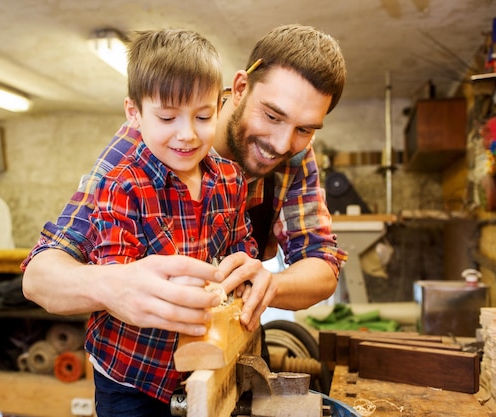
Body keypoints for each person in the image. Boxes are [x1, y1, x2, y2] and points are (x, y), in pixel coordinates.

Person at [22, 19, 348, 398]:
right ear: (240, 88)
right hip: (141, 376)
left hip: (229, 360)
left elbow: (323, 264)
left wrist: (270, 283)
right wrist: (112, 285)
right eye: (272, 116)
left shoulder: (295, 152)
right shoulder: (142, 147)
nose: (281, 142)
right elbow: (40, 275)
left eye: (305, 129)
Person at [81, 28, 257, 415]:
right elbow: (116, 280)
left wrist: (243, 269)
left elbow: (242, 247)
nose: (187, 134)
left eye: (203, 115)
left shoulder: (230, 179)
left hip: (202, 363)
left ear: (220, 105)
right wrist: (180, 284)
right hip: (130, 373)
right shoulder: (120, 185)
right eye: (166, 117)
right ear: (134, 113)